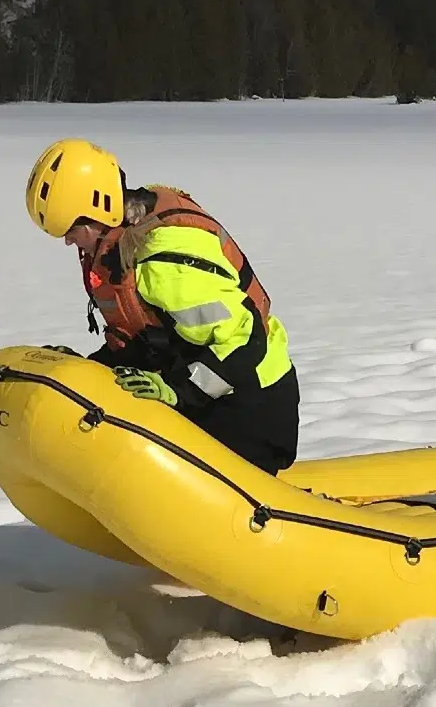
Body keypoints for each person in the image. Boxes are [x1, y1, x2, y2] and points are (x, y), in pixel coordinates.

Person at [23, 137, 300, 474]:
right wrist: (86, 370)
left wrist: (176, 392)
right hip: (199, 390)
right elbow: (146, 340)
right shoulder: (122, 244)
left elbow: (244, 340)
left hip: (250, 407)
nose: (68, 241)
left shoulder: (164, 263)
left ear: (98, 211)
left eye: (70, 229)